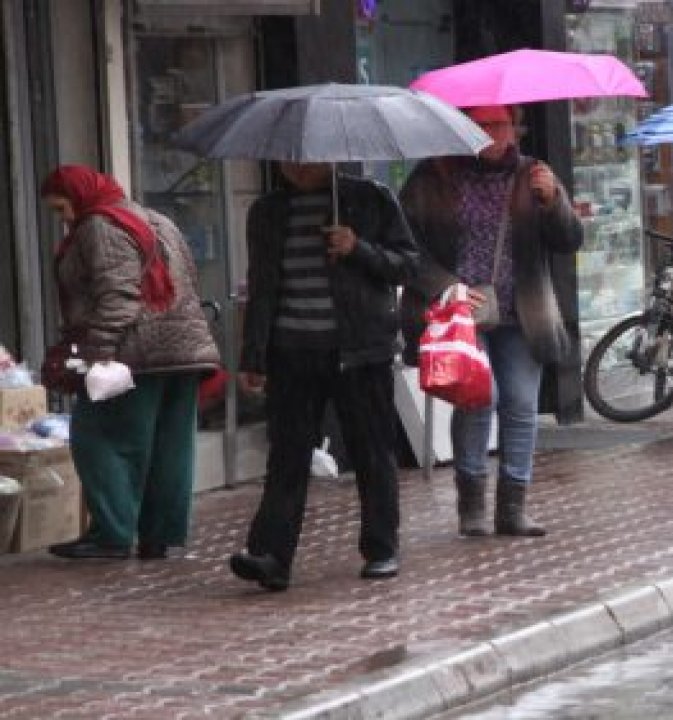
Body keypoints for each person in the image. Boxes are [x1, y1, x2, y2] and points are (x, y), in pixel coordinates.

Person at [229, 163, 418, 591]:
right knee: (287, 456)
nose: (296, 167)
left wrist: (358, 248)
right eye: (287, 158)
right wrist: (254, 356)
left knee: (372, 451)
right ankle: (271, 554)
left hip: (359, 350)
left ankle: (382, 547)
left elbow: (407, 265)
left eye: (306, 158)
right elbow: (261, 286)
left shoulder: (370, 199)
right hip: (292, 351)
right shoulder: (267, 211)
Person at [399, 104, 582, 538]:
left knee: (520, 403)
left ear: (513, 128)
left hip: (523, 312)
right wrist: (447, 285)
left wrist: (553, 201)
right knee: (481, 396)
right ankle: (472, 505)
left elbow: (569, 240)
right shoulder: (433, 176)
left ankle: (513, 506)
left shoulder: (534, 173)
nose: (488, 133)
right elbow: (404, 244)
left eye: (497, 124)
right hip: (459, 313)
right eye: (478, 124)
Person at [39, 165, 220, 560]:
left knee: (97, 437)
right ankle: (161, 533)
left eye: (62, 207)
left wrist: (96, 353)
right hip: (183, 353)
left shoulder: (99, 227)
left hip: (136, 356)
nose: (65, 218)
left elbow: (119, 297)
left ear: (80, 194)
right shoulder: (156, 219)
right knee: (170, 447)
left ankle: (112, 532)